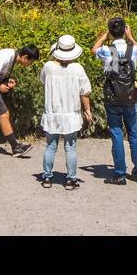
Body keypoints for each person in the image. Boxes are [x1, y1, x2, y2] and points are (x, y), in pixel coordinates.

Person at [39, 35, 93, 190]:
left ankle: (47, 177)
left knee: (50, 146)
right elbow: (85, 92)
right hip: (71, 113)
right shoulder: (78, 69)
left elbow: (43, 81)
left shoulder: (48, 66)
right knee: (71, 147)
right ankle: (71, 179)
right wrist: (87, 110)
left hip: (52, 112)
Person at [93, 17, 137, 185]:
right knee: (134, 135)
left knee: (116, 134)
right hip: (130, 97)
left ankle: (119, 173)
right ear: (124, 30)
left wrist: (104, 36)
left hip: (113, 98)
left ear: (111, 31)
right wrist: (130, 36)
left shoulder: (108, 51)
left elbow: (94, 49)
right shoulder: (133, 50)